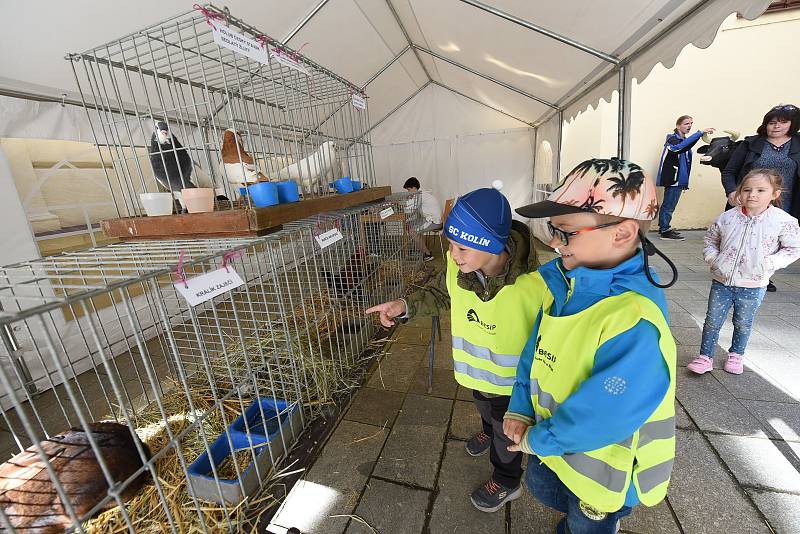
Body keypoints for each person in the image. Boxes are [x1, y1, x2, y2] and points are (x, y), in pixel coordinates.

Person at [504, 158, 677, 534]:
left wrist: (539, 439)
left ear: (622, 233)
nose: (553, 241)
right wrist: (519, 406)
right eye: (554, 229)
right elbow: (534, 353)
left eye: (567, 232)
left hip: (602, 475)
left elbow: (606, 415)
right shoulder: (568, 285)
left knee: (588, 526)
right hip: (557, 448)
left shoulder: (634, 319)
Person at [366, 185, 541, 513]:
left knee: (508, 433)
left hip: (512, 383)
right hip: (475, 374)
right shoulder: (458, 268)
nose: (453, 254)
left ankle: (507, 480)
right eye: (450, 244)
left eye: (462, 247)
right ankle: (488, 430)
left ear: (491, 244)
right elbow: (441, 294)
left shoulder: (535, 284)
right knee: (484, 409)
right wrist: (404, 305)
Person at [688, 169, 800, 376]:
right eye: (747, 189)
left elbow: (793, 248)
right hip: (722, 281)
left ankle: (736, 355)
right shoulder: (727, 217)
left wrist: (770, 263)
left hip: (753, 284)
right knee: (712, 320)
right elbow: (711, 240)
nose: (752, 195)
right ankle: (705, 357)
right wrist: (714, 259)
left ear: (774, 194)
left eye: (760, 190)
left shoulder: (783, 221)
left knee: (742, 322)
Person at [721, 104, 800, 291]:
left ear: (792, 124)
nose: (776, 126)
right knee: (749, 238)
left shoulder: (798, 144)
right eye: (772, 122)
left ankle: (764, 273)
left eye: (782, 122)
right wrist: (733, 192)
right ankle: (741, 271)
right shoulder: (751, 144)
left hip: (786, 203)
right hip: (751, 201)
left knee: (775, 240)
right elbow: (729, 171)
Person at [655, 115, 715, 240]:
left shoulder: (683, 141)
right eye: (686, 123)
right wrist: (700, 133)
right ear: (678, 126)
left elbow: (686, 146)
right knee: (669, 204)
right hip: (673, 179)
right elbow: (679, 148)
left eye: (691, 123)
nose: (689, 126)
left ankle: (665, 227)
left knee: (671, 204)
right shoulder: (672, 140)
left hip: (679, 180)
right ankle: (664, 230)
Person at [403, 177, 442, 261]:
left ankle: (427, 254)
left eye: (409, 190)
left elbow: (410, 210)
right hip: (432, 219)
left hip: (434, 221)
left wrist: (401, 204)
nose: (408, 192)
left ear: (414, 188)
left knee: (412, 231)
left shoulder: (419, 195)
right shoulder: (422, 193)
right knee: (411, 224)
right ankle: (421, 249)